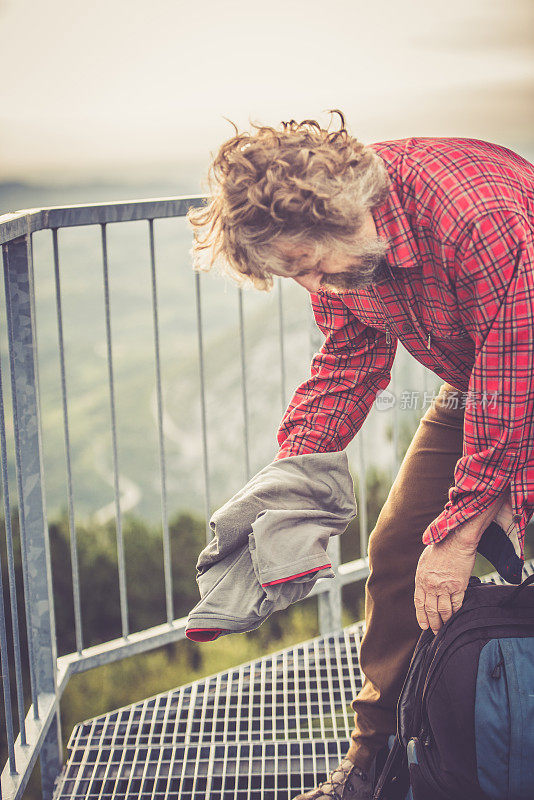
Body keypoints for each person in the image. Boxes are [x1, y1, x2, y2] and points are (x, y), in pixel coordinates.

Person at [187, 111, 534, 800]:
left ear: (344, 212)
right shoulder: (352, 257)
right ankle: (374, 760)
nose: (314, 288)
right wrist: (288, 485)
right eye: (296, 276)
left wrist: (465, 530)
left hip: (514, 375)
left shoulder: (476, 217)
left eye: (312, 266)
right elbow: (349, 360)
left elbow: (515, 381)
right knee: (403, 549)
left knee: (469, 539)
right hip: (482, 385)